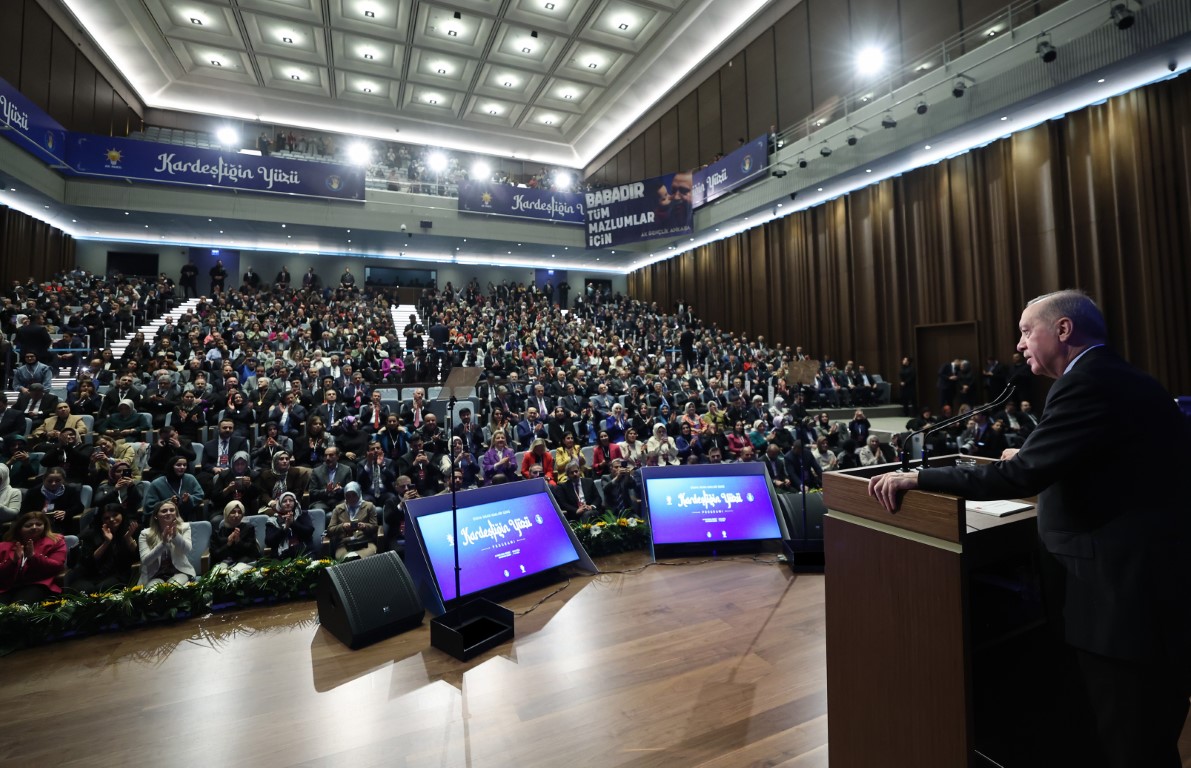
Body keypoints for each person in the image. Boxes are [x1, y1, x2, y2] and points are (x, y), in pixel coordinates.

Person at [869, 290, 1191, 766]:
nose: (1018, 345)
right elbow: (1107, 460)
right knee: (1142, 732)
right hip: (1151, 590)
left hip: (1119, 604)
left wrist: (918, 477)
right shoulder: (1120, 377)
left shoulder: (1086, 384)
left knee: (1134, 744)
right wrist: (1030, 455)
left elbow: (1020, 478)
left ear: (1063, 331)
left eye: (1025, 331)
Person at [68, 503, 140, 593]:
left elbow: (137, 556)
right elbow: (88, 561)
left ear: (122, 514)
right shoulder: (91, 533)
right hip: (92, 574)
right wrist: (106, 542)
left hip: (119, 574)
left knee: (102, 588)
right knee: (82, 589)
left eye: (115, 515)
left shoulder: (131, 529)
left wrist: (128, 538)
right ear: (101, 520)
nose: (111, 519)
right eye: (106, 518)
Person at [0, 510, 67, 604]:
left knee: (18, 610)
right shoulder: (4, 546)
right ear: (19, 529)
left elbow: (57, 566)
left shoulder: (56, 541)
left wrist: (33, 557)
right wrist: (12, 561)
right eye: (28, 525)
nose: (34, 528)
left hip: (37, 584)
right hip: (6, 587)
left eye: (39, 524)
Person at [137, 500, 194, 588]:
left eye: (172, 510)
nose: (168, 513)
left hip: (179, 571)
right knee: (153, 591)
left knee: (173, 586)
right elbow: (146, 561)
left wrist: (176, 536)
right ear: (156, 516)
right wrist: (163, 544)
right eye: (164, 511)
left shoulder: (185, 527)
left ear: (176, 513)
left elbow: (187, 550)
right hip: (154, 575)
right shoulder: (145, 534)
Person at [328, 482, 378, 559]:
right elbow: (330, 530)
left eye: (354, 495)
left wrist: (364, 526)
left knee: (361, 558)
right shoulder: (338, 509)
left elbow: (375, 527)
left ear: (358, 493)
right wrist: (342, 527)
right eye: (348, 496)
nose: (351, 498)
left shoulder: (369, 506)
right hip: (344, 544)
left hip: (365, 542)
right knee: (346, 559)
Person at [210, 500, 260, 575]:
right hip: (225, 562)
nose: (237, 515)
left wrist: (238, 542)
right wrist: (228, 543)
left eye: (239, 512)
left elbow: (253, 551)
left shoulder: (248, 528)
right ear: (227, 513)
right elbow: (216, 555)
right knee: (214, 576)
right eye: (233, 512)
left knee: (232, 575)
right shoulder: (219, 533)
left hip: (245, 561)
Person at [265, 491, 315, 558]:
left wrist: (293, 523)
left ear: (295, 503)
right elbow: (269, 541)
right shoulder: (273, 520)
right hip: (282, 556)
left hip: (305, 552)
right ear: (280, 505)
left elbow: (309, 532)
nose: (288, 503)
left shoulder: (302, 515)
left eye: (291, 500)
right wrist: (285, 528)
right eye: (284, 501)